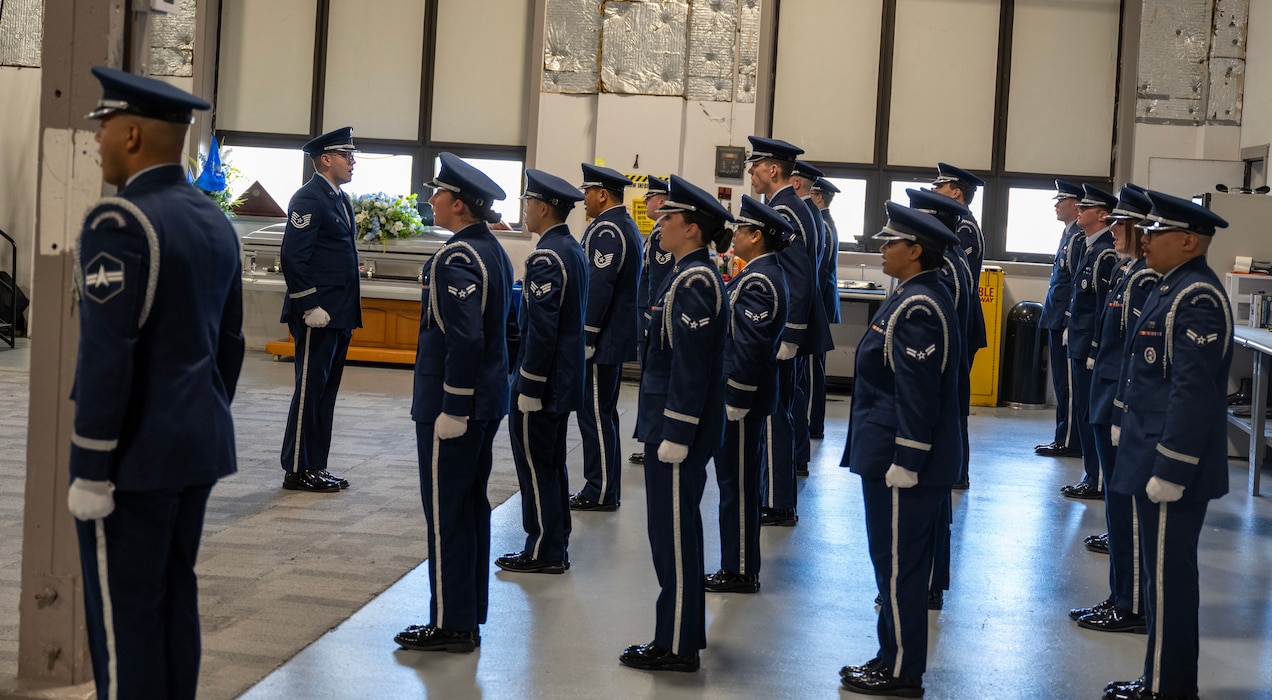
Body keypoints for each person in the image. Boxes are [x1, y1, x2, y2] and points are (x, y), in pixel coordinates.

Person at [68, 66, 244, 700]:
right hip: (194, 444)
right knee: (174, 596)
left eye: (106, 125)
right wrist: (195, 407)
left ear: (134, 135)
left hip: (132, 456)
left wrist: (91, 462)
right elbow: (231, 345)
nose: (98, 140)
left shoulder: (120, 222)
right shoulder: (212, 219)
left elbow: (108, 352)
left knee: (125, 618)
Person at [1102, 192, 1231, 700]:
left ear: (1188, 241)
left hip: (1170, 463)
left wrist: (1172, 467)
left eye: (1158, 232)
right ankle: (1161, 678)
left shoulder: (1197, 296)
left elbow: (1192, 392)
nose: (1147, 238)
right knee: (1160, 578)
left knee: (1167, 580)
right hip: (1147, 450)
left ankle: (1167, 687)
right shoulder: (1171, 286)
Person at [839, 202, 961, 698]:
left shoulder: (918, 306)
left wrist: (907, 460)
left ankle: (901, 670)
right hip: (888, 451)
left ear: (915, 251)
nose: (881, 248)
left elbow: (917, 392)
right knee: (893, 564)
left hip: (900, 459)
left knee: (898, 567)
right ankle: (891, 655)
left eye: (890, 242)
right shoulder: (911, 296)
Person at [395, 153, 515, 653]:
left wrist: (455, 405)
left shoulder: (456, 258)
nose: (431, 199)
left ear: (460, 205)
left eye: (438, 193)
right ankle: (467, 614)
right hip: (484, 401)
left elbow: (464, 339)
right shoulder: (494, 251)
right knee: (469, 508)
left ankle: (449, 623)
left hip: (454, 408)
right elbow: (508, 330)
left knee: (447, 512)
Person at [620, 175, 733, 673]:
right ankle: (675, 635)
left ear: (691, 228)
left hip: (675, 432)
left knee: (675, 538)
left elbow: (691, 366)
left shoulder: (693, 280)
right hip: (667, 425)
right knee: (669, 535)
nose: (659, 222)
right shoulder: (687, 273)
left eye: (668, 217)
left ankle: (678, 645)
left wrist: (679, 433)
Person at [1068, 185, 1156, 635]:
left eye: (1122, 224)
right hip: (1105, 396)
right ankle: (1119, 596)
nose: (1114, 230)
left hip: (1119, 404)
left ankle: (1132, 605)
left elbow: (1137, 356)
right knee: (1117, 513)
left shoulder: (1142, 280)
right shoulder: (1129, 271)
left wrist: (1122, 411)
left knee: (1127, 511)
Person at [497, 169, 589, 575]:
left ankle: (543, 549)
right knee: (550, 463)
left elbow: (544, 329)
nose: (525, 212)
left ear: (544, 207)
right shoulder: (571, 249)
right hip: (564, 377)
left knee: (536, 465)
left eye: (528, 204)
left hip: (545, 382)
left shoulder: (548, 258)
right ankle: (555, 542)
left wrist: (529, 384)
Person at [706, 195, 791, 594]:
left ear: (756, 236)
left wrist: (736, 398)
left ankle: (739, 569)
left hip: (744, 401)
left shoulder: (758, 279)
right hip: (746, 398)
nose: (734, 235)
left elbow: (751, 346)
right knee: (737, 482)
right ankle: (737, 563)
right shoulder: (760, 272)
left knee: (737, 486)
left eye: (741, 229)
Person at [746, 136, 833, 526]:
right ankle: (777, 495)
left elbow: (798, 277)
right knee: (779, 410)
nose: (750, 172)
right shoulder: (786, 206)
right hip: (783, 325)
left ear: (774, 170)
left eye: (756, 166)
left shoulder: (787, 211)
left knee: (773, 414)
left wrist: (792, 334)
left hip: (783, 328)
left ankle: (778, 501)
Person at [278, 126, 362, 493]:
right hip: (317, 314)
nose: (353, 161)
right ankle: (297, 468)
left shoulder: (339, 198)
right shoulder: (309, 198)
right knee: (310, 391)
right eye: (347, 155)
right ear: (326, 159)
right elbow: (293, 257)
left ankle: (316, 464)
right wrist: (309, 303)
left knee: (326, 394)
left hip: (338, 313)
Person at [905, 187, 975, 611]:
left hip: (931, 402)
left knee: (928, 499)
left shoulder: (942, 272)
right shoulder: (950, 263)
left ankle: (925, 582)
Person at [570, 164, 643, 512]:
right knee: (603, 415)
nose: (583, 199)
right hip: (610, 336)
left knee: (595, 415)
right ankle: (604, 487)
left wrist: (586, 335)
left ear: (602, 194)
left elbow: (600, 285)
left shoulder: (608, 230)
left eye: (587, 192)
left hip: (603, 340)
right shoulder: (618, 225)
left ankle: (599, 491)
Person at [1061, 185, 1120, 500]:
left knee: (1089, 413)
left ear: (1102, 215)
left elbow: (1103, 309)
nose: (1078, 211)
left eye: (1086, 208)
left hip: (1089, 347)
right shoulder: (1089, 245)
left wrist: (1095, 348)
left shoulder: (1105, 252)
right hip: (1079, 339)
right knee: (1084, 410)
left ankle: (1096, 478)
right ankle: (1091, 474)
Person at [1036, 179, 1087, 458]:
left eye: (1061, 200)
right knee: (1061, 383)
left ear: (1076, 204)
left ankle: (1069, 440)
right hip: (1054, 317)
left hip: (1064, 320)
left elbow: (1077, 284)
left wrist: (1068, 320)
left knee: (1067, 385)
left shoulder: (1078, 238)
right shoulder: (1069, 234)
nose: (1056, 205)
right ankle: (1063, 436)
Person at [631, 175, 672, 465]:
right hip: (647, 314)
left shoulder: (661, 235)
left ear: (659, 201)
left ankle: (654, 443)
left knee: (654, 384)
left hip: (650, 317)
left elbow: (658, 282)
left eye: (648, 198)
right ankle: (652, 442)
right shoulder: (659, 231)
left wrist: (650, 318)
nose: (644, 203)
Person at [809, 177, 843, 435]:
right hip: (819, 302)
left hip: (818, 304)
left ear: (819, 197)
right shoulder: (822, 223)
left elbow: (818, 272)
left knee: (813, 368)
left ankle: (814, 423)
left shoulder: (823, 226)